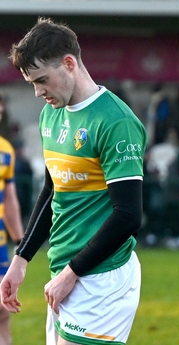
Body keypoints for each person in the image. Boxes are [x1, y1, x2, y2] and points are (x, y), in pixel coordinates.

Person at [1, 17, 146, 345]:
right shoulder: (51, 114)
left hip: (102, 277)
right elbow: (53, 191)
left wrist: (72, 274)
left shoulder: (116, 122)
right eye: (31, 84)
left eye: (42, 80)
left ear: (69, 64)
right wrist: (21, 259)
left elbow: (128, 216)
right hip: (65, 272)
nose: (38, 92)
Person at [0, 97, 25, 345]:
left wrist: (20, 241)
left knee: (2, 310)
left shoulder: (5, 149)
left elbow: (10, 199)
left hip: (0, 242)